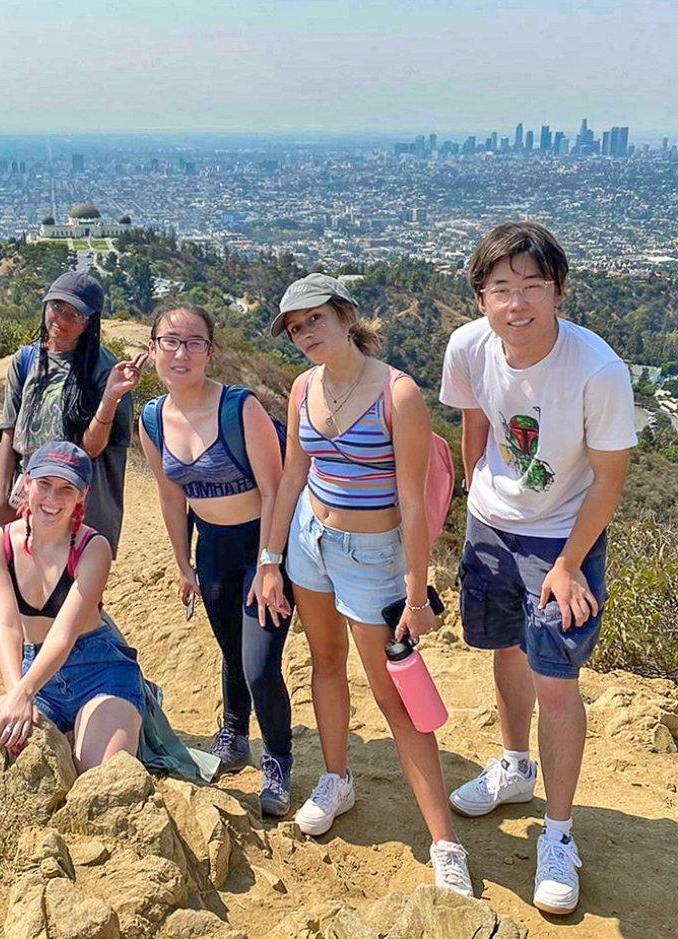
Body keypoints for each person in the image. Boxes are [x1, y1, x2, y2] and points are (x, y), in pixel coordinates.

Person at [440, 221, 636, 915]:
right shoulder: (467, 345)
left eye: (532, 288)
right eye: (501, 289)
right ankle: (514, 766)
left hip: (563, 534)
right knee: (504, 646)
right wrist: (476, 502)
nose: (516, 303)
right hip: (494, 525)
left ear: (558, 292)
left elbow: (610, 476)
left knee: (555, 677)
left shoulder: (597, 369)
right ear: (480, 296)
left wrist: (571, 563)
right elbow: (473, 424)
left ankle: (558, 833)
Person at [260, 273, 473, 897]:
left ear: (346, 315)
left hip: (372, 554)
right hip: (310, 541)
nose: (304, 335)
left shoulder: (397, 394)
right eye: (295, 329)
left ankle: (444, 842)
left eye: (314, 321)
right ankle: (337, 778)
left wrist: (414, 592)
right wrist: (271, 557)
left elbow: (411, 502)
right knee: (324, 662)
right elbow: (295, 472)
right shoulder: (302, 388)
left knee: (394, 695)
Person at [139, 301, 294, 816]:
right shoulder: (152, 418)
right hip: (212, 551)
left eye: (193, 343)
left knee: (259, 663)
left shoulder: (239, 407)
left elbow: (274, 490)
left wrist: (270, 563)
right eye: (170, 342)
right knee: (230, 647)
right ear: (153, 348)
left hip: (262, 547)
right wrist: (183, 565)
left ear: (210, 351)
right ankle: (234, 729)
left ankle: (277, 759)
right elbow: (170, 497)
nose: (181, 353)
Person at [0, 441, 145, 772]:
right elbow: (7, 626)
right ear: (26, 483)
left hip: (99, 671)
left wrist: (23, 694)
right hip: (37, 678)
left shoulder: (92, 548)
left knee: (99, 778)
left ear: (82, 494)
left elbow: (63, 635)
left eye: (65, 489)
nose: (52, 499)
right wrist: (18, 695)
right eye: (44, 484)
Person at [0, 271, 146, 556]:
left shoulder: (105, 371)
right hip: (27, 497)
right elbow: (10, 428)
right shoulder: (25, 361)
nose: (60, 320)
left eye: (74, 314)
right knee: (24, 587)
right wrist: (0, 497)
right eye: (56, 307)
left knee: (72, 591)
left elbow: (93, 448)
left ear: (90, 322)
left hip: (80, 507)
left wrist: (111, 397)